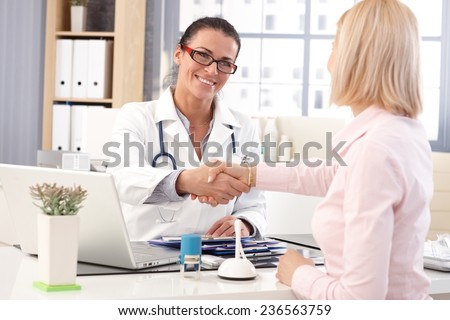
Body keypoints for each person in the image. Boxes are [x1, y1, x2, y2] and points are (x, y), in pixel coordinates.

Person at [205, 0, 433, 299]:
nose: (329, 62)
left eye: (335, 47)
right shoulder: (400, 133)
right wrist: (249, 174)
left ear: (356, 58)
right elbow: (327, 173)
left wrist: (299, 272)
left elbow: (359, 303)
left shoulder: (374, 149)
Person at [106, 17, 266, 241]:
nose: (212, 70)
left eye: (225, 63)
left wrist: (245, 224)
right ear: (179, 54)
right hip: (147, 256)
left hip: (214, 258)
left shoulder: (243, 126)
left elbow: (255, 204)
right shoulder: (137, 115)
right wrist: (186, 181)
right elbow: (121, 178)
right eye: (202, 55)